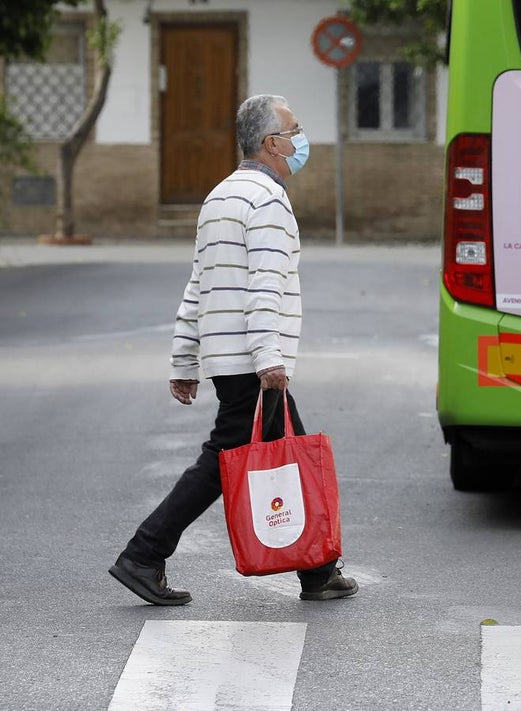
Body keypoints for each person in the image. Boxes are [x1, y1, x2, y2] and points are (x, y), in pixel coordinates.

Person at [109, 94, 357, 605]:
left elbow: (200, 284)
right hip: (253, 359)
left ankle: (318, 568)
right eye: (294, 129)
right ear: (272, 143)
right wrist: (270, 358)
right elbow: (264, 284)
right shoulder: (266, 201)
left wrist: (185, 358)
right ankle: (144, 553)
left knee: (286, 447)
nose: (300, 138)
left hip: (231, 356)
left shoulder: (221, 195)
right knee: (226, 456)